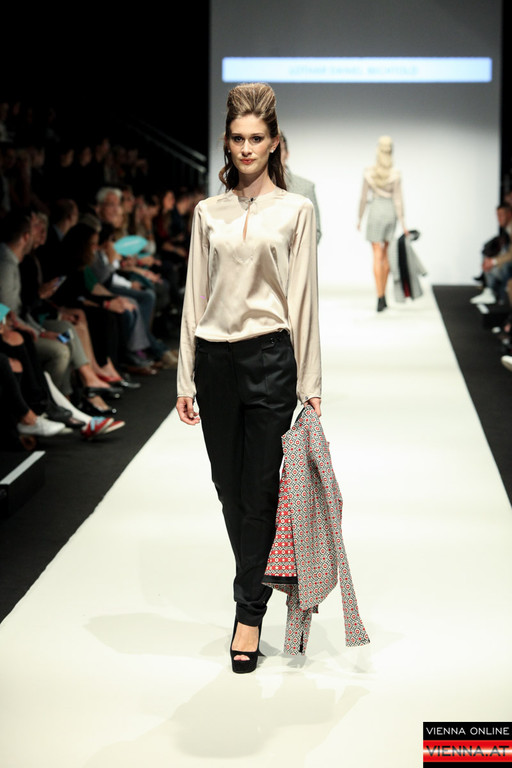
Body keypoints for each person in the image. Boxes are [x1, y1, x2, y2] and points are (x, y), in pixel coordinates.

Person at [176, 83, 321, 674]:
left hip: (270, 359)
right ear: (227, 141)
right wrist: (184, 376)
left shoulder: (297, 210)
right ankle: (258, 581)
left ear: (274, 142)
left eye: (256, 138)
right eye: (237, 138)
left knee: (260, 491)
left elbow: (304, 299)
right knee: (228, 490)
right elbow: (195, 295)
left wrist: (311, 384)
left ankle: (248, 613)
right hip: (214, 362)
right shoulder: (206, 212)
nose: (246, 148)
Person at [358, 136, 408, 312]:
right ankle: (383, 295)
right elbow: (398, 199)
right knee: (386, 255)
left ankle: (379, 296)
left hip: (376, 210)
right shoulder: (395, 174)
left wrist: (359, 218)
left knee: (376, 255)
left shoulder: (369, 172)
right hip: (390, 212)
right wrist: (403, 222)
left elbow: (364, 197)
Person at [280, 132, 322, 244]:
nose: (275, 156)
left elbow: (315, 232)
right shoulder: (252, 190)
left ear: (287, 154)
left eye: (280, 150)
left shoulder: (305, 188)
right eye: (272, 151)